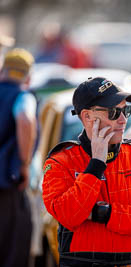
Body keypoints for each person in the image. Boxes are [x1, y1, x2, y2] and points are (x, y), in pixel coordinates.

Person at [42, 77, 131, 266]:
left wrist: (103, 213)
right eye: (114, 112)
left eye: (126, 110)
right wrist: (96, 164)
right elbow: (69, 215)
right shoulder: (61, 161)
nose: (123, 120)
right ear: (87, 117)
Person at [0, 48, 36, 266]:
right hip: (8, 186)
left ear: (3, 71)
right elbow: (25, 119)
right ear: (28, 77)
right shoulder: (23, 96)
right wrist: (24, 164)